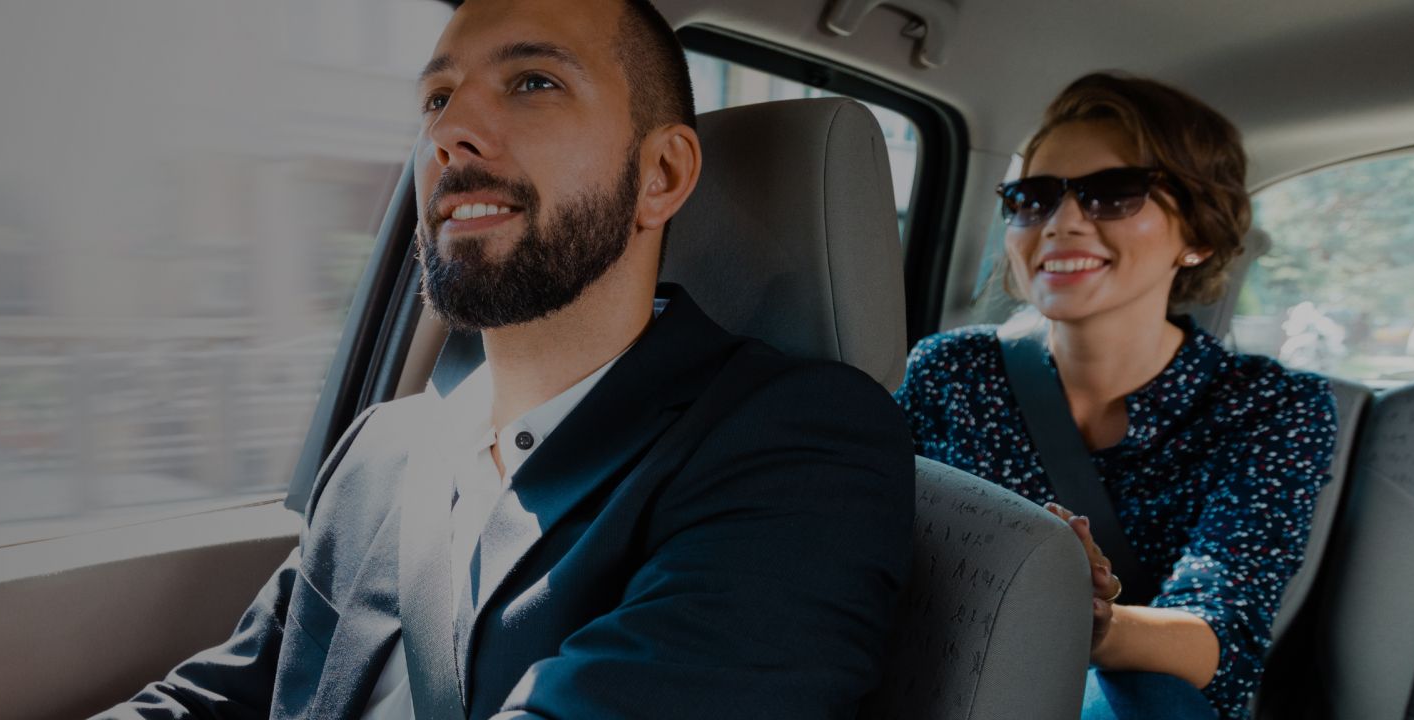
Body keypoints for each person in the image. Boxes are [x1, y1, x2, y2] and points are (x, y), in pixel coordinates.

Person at [96, 0, 913, 717]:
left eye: (532, 82)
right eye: (438, 98)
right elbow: (225, 698)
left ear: (661, 174)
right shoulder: (381, 450)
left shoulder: (800, 448)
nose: (448, 133)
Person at [896, 73, 1337, 720]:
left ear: (1199, 235)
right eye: (1033, 198)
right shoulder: (950, 372)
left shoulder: (1269, 406)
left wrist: (1089, 622)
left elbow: (1225, 639)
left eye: (1112, 195)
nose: (1061, 222)